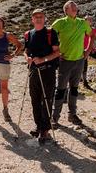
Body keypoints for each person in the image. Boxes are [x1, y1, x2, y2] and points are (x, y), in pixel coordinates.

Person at [51, 1, 93, 126]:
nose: (75, 8)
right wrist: (56, 50)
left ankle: (72, 115)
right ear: (66, 10)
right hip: (65, 61)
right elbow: (49, 36)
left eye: (76, 6)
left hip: (79, 60)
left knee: (74, 88)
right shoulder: (60, 23)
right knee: (61, 89)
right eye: (72, 7)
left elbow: (92, 35)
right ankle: (55, 117)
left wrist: (88, 51)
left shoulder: (83, 22)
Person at [23, 9, 60, 141]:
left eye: (41, 16)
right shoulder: (28, 34)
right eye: (35, 17)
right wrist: (27, 57)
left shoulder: (51, 33)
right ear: (32, 19)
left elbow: (57, 52)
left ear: (44, 18)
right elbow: (26, 50)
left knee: (47, 99)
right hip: (33, 71)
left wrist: (43, 59)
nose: (38, 19)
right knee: (35, 99)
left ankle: (45, 128)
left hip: (48, 70)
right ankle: (38, 125)